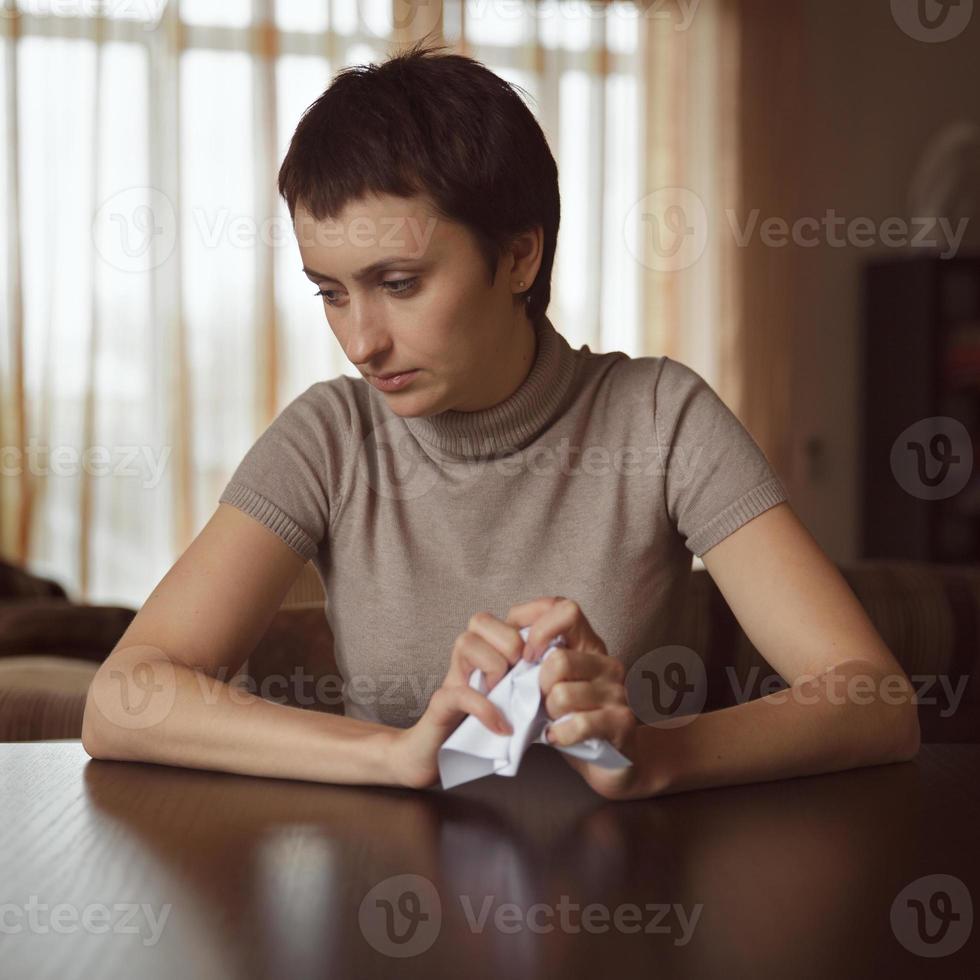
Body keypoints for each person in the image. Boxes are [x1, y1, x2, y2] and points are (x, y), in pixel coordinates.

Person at [82, 38, 919, 800]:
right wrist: (393, 755)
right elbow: (122, 701)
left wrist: (655, 755)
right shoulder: (329, 438)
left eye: (400, 283)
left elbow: (873, 698)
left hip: (632, 907)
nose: (361, 342)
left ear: (520, 255)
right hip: (391, 913)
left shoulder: (661, 417)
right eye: (331, 294)